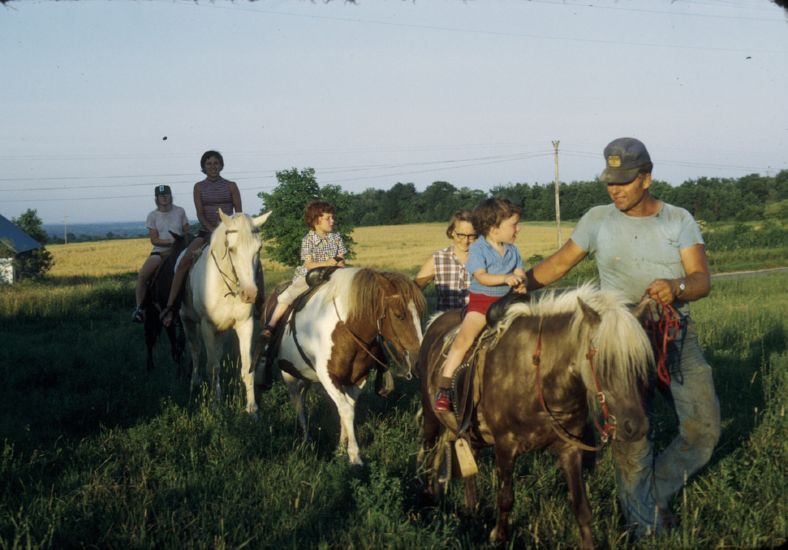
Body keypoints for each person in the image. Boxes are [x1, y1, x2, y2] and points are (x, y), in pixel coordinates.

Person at [524, 137, 721, 536]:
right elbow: (559, 264)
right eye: (610, 182)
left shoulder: (677, 219)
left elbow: (701, 280)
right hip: (618, 342)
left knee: (704, 431)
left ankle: (652, 492)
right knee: (631, 431)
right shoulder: (597, 219)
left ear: (646, 178)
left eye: (625, 181)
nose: (615, 189)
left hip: (673, 335)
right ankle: (643, 524)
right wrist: (516, 287)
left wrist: (677, 287)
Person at [433, 198, 526, 412]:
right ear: (494, 229)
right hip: (482, 303)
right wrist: (506, 278)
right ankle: (444, 388)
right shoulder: (478, 250)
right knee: (463, 339)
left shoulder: (513, 250)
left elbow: (520, 272)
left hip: (508, 302)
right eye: (513, 225)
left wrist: (522, 282)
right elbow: (482, 277)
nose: (518, 229)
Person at [160, 150, 242, 327]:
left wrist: (230, 231)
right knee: (183, 263)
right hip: (206, 232)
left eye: (216, 163)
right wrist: (213, 231)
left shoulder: (231, 186)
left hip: (229, 233)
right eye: (209, 163)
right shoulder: (199, 187)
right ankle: (171, 307)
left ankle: (258, 302)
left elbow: (239, 214)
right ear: (203, 167)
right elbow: (200, 213)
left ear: (221, 165)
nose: (213, 166)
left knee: (249, 258)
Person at [260, 200, 348, 341]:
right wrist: (330, 262)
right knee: (288, 295)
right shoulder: (308, 240)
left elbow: (341, 260)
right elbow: (308, 264)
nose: (332, 221)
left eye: (332, 217)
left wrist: (335, 264)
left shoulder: (336, 238)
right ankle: (271, 325)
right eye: (328, 218)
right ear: (316, 221)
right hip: (311, 276)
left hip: (335, 273)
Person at [132, 185, 190, 322]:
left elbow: (187, 231)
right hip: (160, 251)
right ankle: (140, 309)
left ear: (171, 196)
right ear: (156, 198)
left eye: (166, 195)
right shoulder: (152, 216)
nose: (164, 198)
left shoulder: (180, 211)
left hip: (179, 250)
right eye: (161, 196)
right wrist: (170, 243)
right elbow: (154, 239)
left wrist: (182, 241)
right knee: (142, 276)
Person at [414, 210, 477, 312]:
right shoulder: (437, 260)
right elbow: (413, 290)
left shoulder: (484, 259)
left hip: (476, 322)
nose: (466, 241)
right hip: (445, 323)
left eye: (471, 236)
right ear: (452, 232)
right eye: (461, 235)